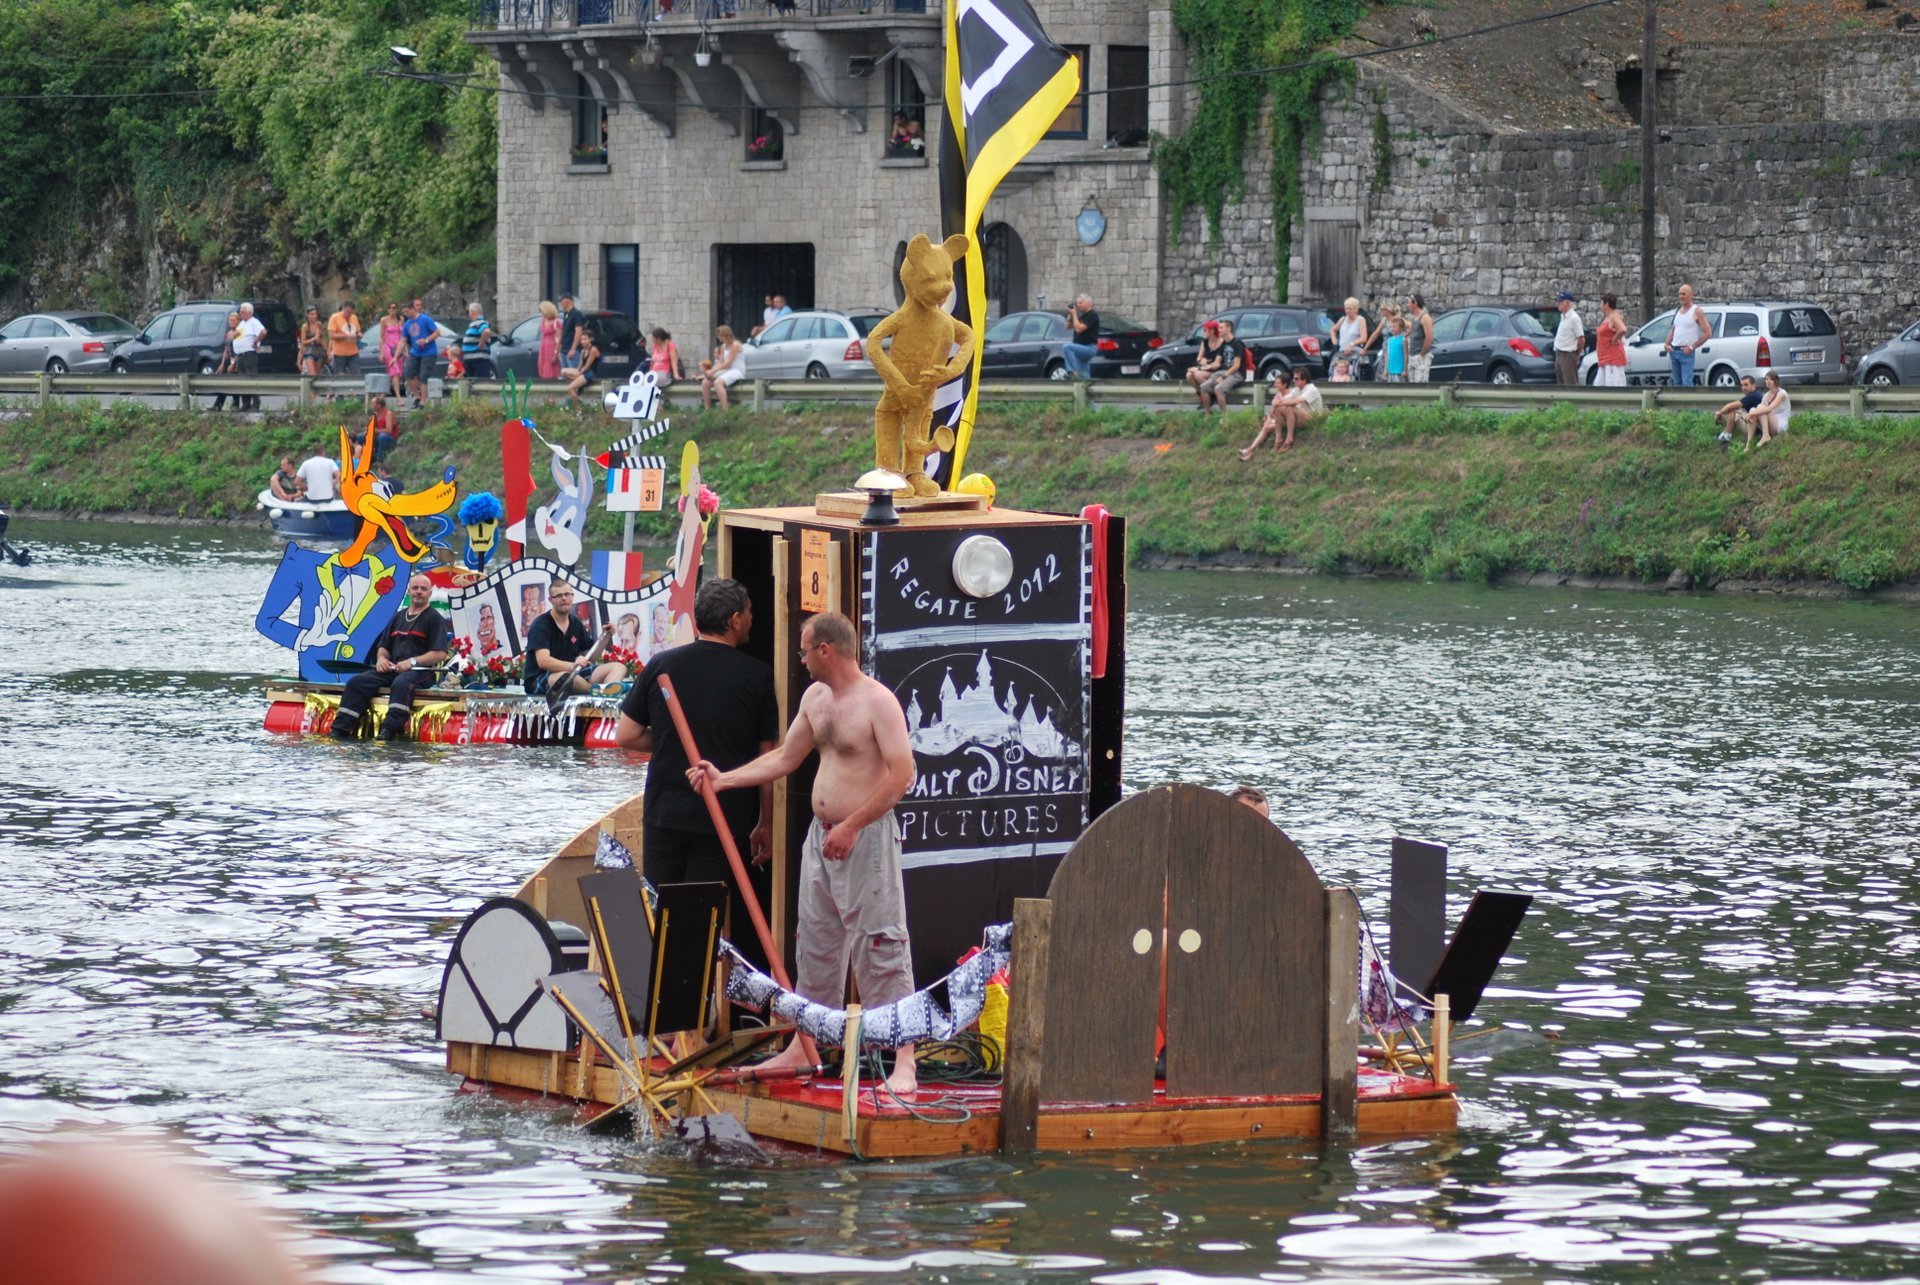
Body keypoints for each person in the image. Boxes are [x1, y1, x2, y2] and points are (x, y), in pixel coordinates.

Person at [687, 610, 921, 1095]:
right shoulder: (816, 698)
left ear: (825, 651)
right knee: (814, 941)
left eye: (803, 650)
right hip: (821, 835)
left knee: (881, 944)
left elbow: (902, 775)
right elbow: (786, 758)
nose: (799, 659)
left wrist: (854, 826)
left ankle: (904, 1059)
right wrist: (723, 778)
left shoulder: (879, 703)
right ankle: (808, 1041)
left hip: (867, 835)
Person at [616, 580, 780, 961]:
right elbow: (767, 758)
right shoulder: (757, 676)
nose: (753, 619)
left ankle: (661, 1014)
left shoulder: (662, 665)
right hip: (724, 817)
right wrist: (765, 822)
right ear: (735, 619)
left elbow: (627, 734)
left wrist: (670, 742)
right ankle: (695, 1016)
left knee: (661, 915)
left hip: (665, 813)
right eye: (750, 612)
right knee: (699, 926)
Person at [330, 572, 452, 741]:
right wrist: (381, 660)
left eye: (423, 589)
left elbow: (440, 653)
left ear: (430, 593)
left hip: (421, 671)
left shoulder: (434, 619)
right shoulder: (398, 616)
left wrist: (412, 662)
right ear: (409, 591)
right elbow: (383, 647)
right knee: (356, 682)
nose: (418, 592)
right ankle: (341, 729)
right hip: (393, 668)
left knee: (401, 683)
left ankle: (389, 730)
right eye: (415, 588)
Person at [523, 577, 620, 711]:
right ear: (551, 600)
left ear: (572, 597)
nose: (564, 598)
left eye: (567, 594)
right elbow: (543, 661)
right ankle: (598, 696)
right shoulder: (541, 624)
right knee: (567, 677)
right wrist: (571, 666)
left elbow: (590, 657)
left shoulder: (575, 623)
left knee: (617, 667)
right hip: (541, 678)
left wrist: (606, 637)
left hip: (574, 672)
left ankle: (606, 698)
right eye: (559, 595)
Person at [1240, 366, 1323, 457]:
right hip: (1297, 418)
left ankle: (1289, 438)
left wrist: (1278, 404)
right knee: (1270, 423)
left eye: (1296, 378)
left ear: (1304, 380)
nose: (1294, 380)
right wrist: (1277, 404)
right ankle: (1274, 440)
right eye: (1293, 378)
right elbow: (1284, 400)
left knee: (1287, 408)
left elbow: (1297, 401)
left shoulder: (1311, 389)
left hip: (1312, 418)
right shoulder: (1296, 390)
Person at [1664, 283, 1713, 387]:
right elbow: (1673, 329)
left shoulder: (1697, 311)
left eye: (1684, 294)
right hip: (1674, 350)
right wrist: (1666, 344)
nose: (1681, 296)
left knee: (1687, 383)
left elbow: (1708, 333)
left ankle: (1688, 403)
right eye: (1679, 294)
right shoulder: (1678, 310)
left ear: (1691, 295)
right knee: (1676, 383)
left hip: (1686, 352)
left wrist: (1692, 347)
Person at [1195, 318, 1242, 412]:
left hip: (1236, 373)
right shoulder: (1224, 344)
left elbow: (1236, 366)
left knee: (1218, 389)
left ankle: (1224, 418)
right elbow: (1217, 363)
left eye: (1221, 328)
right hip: (1223, 371)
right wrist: (1202, 368)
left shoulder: (1237, 343)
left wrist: (1223, 377)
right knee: (1203, 387)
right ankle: (1208, 414)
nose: (1219, 330)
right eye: (1219, 328)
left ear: (1228, 329)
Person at [401, 298, 440, 408]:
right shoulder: (407, 324)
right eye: (404, 312)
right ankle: (417, 397)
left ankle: (423, 401)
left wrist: (426, 340)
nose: (405, 314)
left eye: (407, 312)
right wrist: (395, 356)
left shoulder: (425, 319)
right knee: (408, 373)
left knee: (423, 377)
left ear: (412, 309)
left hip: (428, 352)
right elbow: (403, 340)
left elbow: (437, 333)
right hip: (415, 352)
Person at [1184, 320, 1231, 408]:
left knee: (1198, 374)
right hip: (1207, 368)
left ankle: (1211, 395)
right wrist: (1202, 360)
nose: (1203, 332)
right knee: (1189, 375)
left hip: (1217, 369)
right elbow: (1199, 358)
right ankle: (1204, 395)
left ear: (1212, 331)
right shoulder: (1205, 342)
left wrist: (1200, 368)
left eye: (1205, 330)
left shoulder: (1221, 342)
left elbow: (1218, 363)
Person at [700, 325, 745, 409]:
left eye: (720, 335)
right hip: (727, 370)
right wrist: (710, 373)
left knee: (718, 383)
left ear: (725, 335)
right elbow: (721, 363)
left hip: (736, 370)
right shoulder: (724, 346)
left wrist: (713, 371)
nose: (718, 337)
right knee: (705, 383)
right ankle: (707, 409)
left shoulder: (736, 345)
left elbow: (728, 363)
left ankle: (725, 409)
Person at [231, 302, 266, 411]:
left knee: (252, 378)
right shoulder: (242, 323)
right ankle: (246, 403)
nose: (240, 313)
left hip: (249, 354)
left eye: (242, 311)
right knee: (243, 380)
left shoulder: (253, 322)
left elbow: (263, 332)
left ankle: (255, 404)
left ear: (249, 312)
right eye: (240, 311)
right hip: (241, 355)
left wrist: (256, 342)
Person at [1714, 374, 1763, 448]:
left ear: (1753, 385)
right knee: (1736, 411)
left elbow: (1729, 406)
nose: (1743, 388)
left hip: (1755, 429)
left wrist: (1719, 413)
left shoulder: (1753, 396)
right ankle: (1725, 433)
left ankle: (1726, 436)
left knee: (1733, 411)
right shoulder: (1757, 394)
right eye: (1742, 385)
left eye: (1746, 385)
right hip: (1755, 425)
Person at [1061, 293, 1100, 380]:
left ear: (1088, 303)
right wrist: (1070, 315)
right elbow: (1067, 327)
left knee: (1067, 347)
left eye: (1080, 303)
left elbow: (1079, 329)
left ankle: (1072, 372)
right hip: (1080, 349)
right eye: (1077, 303)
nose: (1078, 305)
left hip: (1088, 348)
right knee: (1084, 378)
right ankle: (1087, 390)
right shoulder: (1081, 316)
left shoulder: (1092, 315)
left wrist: (1075, 314)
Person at [1594, 293, 1629, 387]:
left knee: (1612, 384)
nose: (1600, 306)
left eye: (1601, 303)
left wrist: (1614, 339)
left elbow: (1623, 329)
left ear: (1607, 304)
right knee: (1600, 385)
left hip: (1611, 359)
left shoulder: (1614, 317)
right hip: (1604, 358)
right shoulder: (1608, 318)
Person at [562, 324, 600, 410]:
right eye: (581, 340)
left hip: (590, 373)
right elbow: (580, 366)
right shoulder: (583, 351)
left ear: (590, 339)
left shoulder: (593, 349)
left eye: (585, 339)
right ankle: (577, 390)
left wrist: (579, 374)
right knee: (563, 371)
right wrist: (576, 372)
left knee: (570, 389)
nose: (583, 342)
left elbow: (587, 366)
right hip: (583, 372)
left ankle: (578, 408)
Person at [1552, 291, 1586, 386]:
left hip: (1568, 355)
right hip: (1559, 354)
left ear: (1567, 303)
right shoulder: (1563, 317)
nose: (1557, 304)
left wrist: (1576, 354)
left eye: (1560, 301)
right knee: (1561, 383)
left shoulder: (1574, 318)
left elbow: (1581, 339)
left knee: (1569, 383)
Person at [1750, 370, 1791, 446]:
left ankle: (1766, 436)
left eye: (1770, 379)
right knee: (1753, 409)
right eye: (1766, 379)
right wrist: (1752, 413)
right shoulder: (1766, 396)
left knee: (1758, 408)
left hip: (1780, 424)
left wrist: (1751, 414)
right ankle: (1748, 442)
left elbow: (1769, 409)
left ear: (1776, 381)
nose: (1768, 381)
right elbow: (1760, 410)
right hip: (1771, 423)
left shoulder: (1782, 393)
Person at [209, 310, 240, 412]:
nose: (231, 322)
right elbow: (226, 350)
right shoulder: (228, 333)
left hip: (237, 361)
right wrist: (222, 364)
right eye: (230, 320)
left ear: (238, 321)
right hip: (229, 360)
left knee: (234, 384)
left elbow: (239, 349)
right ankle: (218, 405)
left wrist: (233, 364)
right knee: (225, 383)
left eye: (233, 320)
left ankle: (235, 404)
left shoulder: (239, 332)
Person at [461, 301, 498, 379]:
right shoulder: (475, 323)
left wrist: (481, 343)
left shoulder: (480, 322)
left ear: (473, 312)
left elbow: (486, 331)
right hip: (471, 358)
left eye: (469, 312)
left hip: (478, 358)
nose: (469, 314)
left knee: (482, 380)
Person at [326, 299, 361, 376]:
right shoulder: (334, 318)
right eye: (348, 312)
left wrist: (359, 334)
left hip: (353, 352)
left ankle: (356, 387)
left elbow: (358, 331)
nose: (349, 314)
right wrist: (347, 335)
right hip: (339, 353)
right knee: (340, 375)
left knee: (357, 375)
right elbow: (331, 335)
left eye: (351, 313)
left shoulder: (354, 317)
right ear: (343, 308)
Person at [1404, 294, 1434, 383]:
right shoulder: (1414, 318)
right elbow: (1413, 332)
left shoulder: (1425, 317)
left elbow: (1429, 337)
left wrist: (1422, 354)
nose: (1407, 305)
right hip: (1412, 356)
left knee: (1421, 382)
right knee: (1412, 382)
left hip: (1420, 356)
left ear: (1415, 303)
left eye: (1409, 303)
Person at [378, 302, 406, 393]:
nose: (391, 309)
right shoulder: (384, 320)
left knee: (395, 372)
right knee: (395, 371)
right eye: (389, 308)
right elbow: (381, 337)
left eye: (394, 308)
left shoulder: (401, 320)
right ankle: (398, 397)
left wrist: (405, 350)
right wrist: (381, 352)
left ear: (397, 309)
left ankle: (383, 394)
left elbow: (404, 336)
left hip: (398, 348)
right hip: (388, 347)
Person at [1333, 297, 1368, 367]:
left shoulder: (1360, 320)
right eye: (1346, 308)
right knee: (1334, 370)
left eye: (1350, 308)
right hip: (1341, 352)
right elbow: (1333, 330)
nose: (1347, 311)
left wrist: (1351, 344)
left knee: (1351, 372)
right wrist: (1335, 342)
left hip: (1354, 352)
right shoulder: (1342, 319)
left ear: (1356, 309)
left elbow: (1364, 338)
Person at [536, 300, 562, 381]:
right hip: (544, 346)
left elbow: (559, 338)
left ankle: (553, 381)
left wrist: (555, 353)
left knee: (552, 366)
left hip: (552, 346)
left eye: (543, 311)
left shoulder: (557, 322)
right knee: (543, 364)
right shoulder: (543, 320)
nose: (542, 313)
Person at [297, 306, 326, 379]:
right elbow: (303, 342)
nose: (314, 316)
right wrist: (313, 338)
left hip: (318, 351)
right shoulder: (305, 326)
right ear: (308, 315)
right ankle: (312, 390)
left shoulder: (319, 325)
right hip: (309, 351)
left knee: (317, 375)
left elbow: (322, 339)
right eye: (312, 314)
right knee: (312, 374)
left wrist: (327, 351)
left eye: (315, 314)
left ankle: (315, 390)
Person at [558, 293, 585, 361]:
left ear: (567, 302)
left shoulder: (576, 314)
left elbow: (578, 331)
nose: (560, 304)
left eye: (561, 302)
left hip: (571, 350)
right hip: (564, 350)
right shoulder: (566, 314)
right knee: (564, 371)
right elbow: (564, 332)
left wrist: (573, 349)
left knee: (572, 371)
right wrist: (560, 349)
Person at [1382, 316, 1408, 383]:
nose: (1392, 329)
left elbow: (1406, 355)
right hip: (1390, 369)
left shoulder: (1403, 339)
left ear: (1401, 328)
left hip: (1399, 370)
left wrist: (1405, 369)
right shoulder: (1389, 340)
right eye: (1391, 327)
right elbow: (1387, 355)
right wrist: (1386, 369)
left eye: (1394, 327)